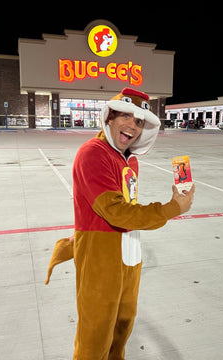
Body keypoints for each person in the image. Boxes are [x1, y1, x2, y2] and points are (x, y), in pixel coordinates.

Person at [45, 87, 195, 360]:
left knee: (121, 328)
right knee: (95, 337)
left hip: (129, 254)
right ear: (110, 117)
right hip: (102, 258)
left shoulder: (128, 160)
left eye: (139, 121)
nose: (133, 126)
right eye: (126, 117)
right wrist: (172, 208)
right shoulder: (94, 153)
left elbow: (122, 206)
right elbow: (115, 211)